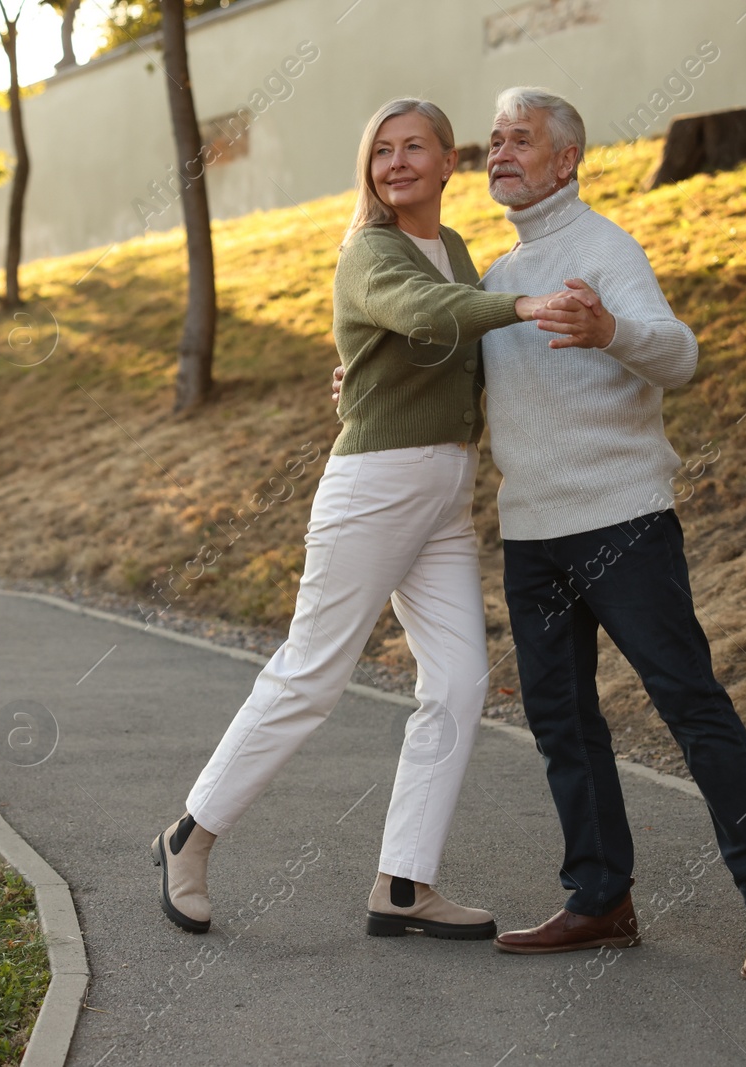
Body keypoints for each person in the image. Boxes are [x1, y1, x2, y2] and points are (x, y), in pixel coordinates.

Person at [332, 87, 746, 981]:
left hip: (624, 520)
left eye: (523, 140)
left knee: (689, 702)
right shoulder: (491, 275)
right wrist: (357, 384)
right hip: (532, 534)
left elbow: (681, 354)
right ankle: (601, 898)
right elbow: (453, 369)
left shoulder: (603, 249)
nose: (501, 152)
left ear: (567, 162)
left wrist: (611, 328)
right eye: (496, 140)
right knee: (564, 725)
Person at [153, 99, 576, 941]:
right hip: (376, 487)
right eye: (381, 149)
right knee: (312, 673)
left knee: (457, 683)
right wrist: (526, 307)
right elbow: (420, 313)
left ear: (447, 161)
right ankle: (187, 837)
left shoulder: (452, 248)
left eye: (413, 146)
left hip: (444, 495)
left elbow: (457, 351)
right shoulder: (370, 250)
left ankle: (405, 882)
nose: (395, 162)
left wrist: (373, 376)